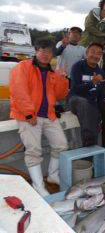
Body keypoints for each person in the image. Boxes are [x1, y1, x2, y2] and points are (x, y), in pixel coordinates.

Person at [9, 38, 69, 196]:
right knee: (34, 150)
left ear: (52, 55)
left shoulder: (52, 73)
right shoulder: (23, 67)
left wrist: (63, 79)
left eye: (48, 51)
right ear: (36, 51)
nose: (45, 54)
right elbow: (18, 90)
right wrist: (29, 113)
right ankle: (38, 185)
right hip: (28, 115)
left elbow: (60, 95)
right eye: (42, 50)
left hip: (48, 115)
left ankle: (53, 176)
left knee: (61, 145)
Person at [68, 43, 105, 147]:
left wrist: (102, 113)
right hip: (75, 100)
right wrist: (92, 82)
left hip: (91, 103)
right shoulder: (78, 66)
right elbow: (75, 89)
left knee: (97, 107)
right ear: (86, 53)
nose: (95, 55)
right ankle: (88, 144)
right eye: (92, 52)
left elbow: (101, 96)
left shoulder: (101, 72)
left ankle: (99, 147)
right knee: (84, 103)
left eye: (99, 53)